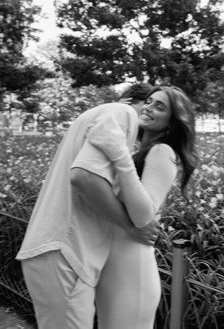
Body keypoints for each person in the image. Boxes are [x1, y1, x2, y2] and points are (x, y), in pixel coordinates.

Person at [16, 84, 160, 329]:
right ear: (131, 101)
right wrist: (130, 227)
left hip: (62, 250)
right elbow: (83, 177)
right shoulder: (121, 112)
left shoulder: (98, 116)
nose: (148, 111)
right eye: (147, 103)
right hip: (66, 250)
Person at [86, 85, 197, 329]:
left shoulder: (162, 151)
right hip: (111, 264)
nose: (148, 108)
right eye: (148, 101)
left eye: (160, 106)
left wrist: (119, 156)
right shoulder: (137, 151)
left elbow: (142, 215)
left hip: (131, 269)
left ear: (171, 122)